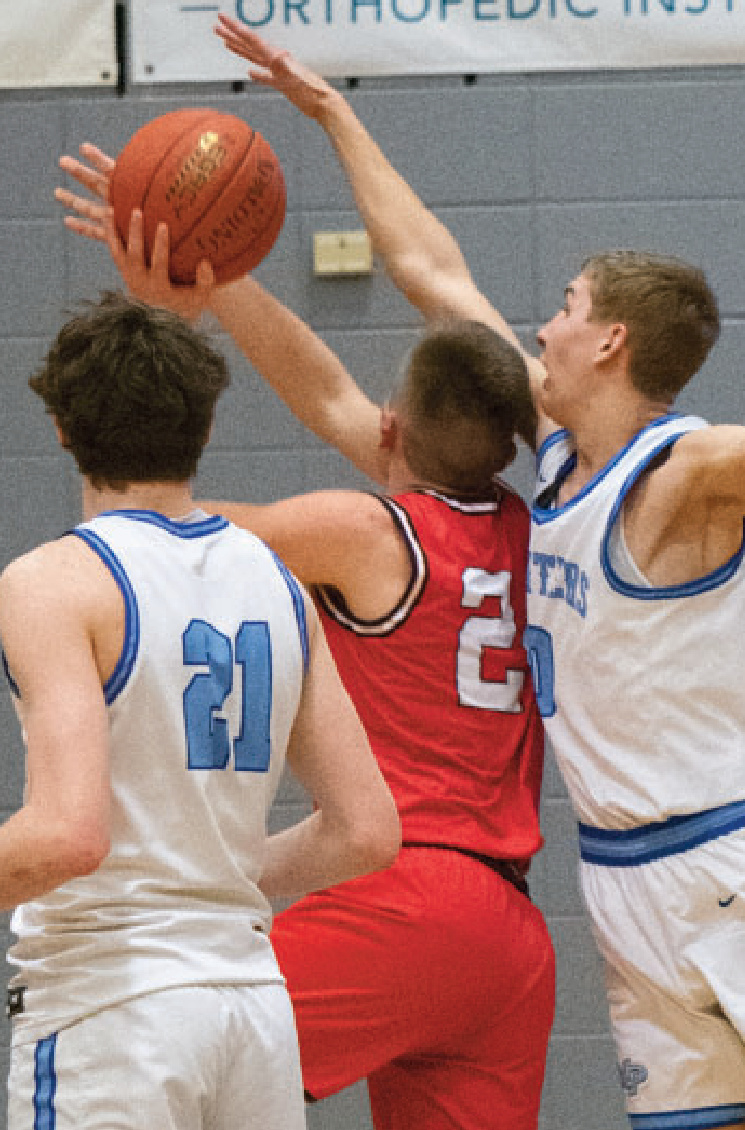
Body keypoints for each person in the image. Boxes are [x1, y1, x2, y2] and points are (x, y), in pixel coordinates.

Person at [206, 20, 745, 1130]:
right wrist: (334, 112)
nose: (541, 324)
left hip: (720, 846)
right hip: (614, 878)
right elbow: (427, 264)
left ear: (609, 345)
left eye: (565, 307)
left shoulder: (685, 467)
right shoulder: (540, 485)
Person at [54, 186, 556, 1126]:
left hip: (401, 897)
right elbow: (327, 394)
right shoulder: (534, 532)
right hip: (509, 940)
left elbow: (157, 516)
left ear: (393, 428)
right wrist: (221, 281)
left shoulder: (365, 530)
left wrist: (156, 330)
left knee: (167, 1084)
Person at [0, 289, 400, 1130]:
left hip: (114, 1010)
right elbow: (365, 829)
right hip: (250, 1010)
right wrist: (222, 874)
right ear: (205, 430)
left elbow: (69, 834)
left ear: (63, 429)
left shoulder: (52, 581)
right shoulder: (279, 583)